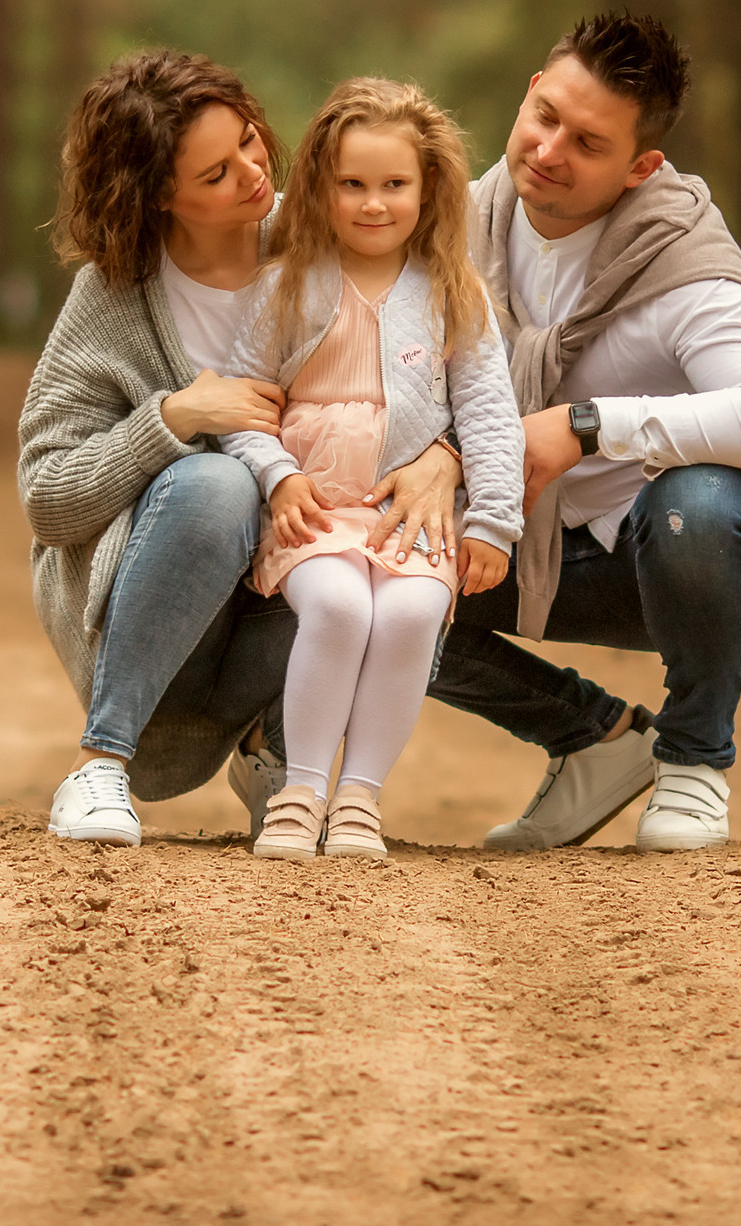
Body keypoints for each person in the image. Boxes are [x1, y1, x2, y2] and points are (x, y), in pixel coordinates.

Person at [17, 50, 462, 847]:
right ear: (159, 194)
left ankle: (287, 760)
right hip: (161, 642)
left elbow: (456, 358)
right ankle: (99, 763)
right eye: (217, 174)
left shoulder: (337, 230)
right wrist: (175, 415)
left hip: (292, 593)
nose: (256, 173)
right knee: (218, 482)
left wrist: (446, 456)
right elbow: (48, 498)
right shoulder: (116, 294)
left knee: (411, 550)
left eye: (251, 141)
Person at [426, 11, 741, 852]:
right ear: (531, 91)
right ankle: (595, 739)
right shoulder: (453, 229)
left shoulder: (682, 262)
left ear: (639, 167)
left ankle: (693, 759)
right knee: (375, 569)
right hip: (550, 545)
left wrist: (584, 428)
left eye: (587, 143)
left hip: (739, 551)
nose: (549, 151)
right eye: (546, 118)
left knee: (697, 498)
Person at [217, 80, 525, 859]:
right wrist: (278, 475)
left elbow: (489, 415)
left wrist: (492, 520)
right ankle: (302, 789)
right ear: (320, 184)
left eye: (394, 185)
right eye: (351, 183)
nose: (372, 203)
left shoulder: (457, 294)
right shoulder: (285, 285)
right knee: (341, 608)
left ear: (430, 190)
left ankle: (360, 798)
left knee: (415, 615)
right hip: (313, 513)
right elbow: (240, 406)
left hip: (408, 518)